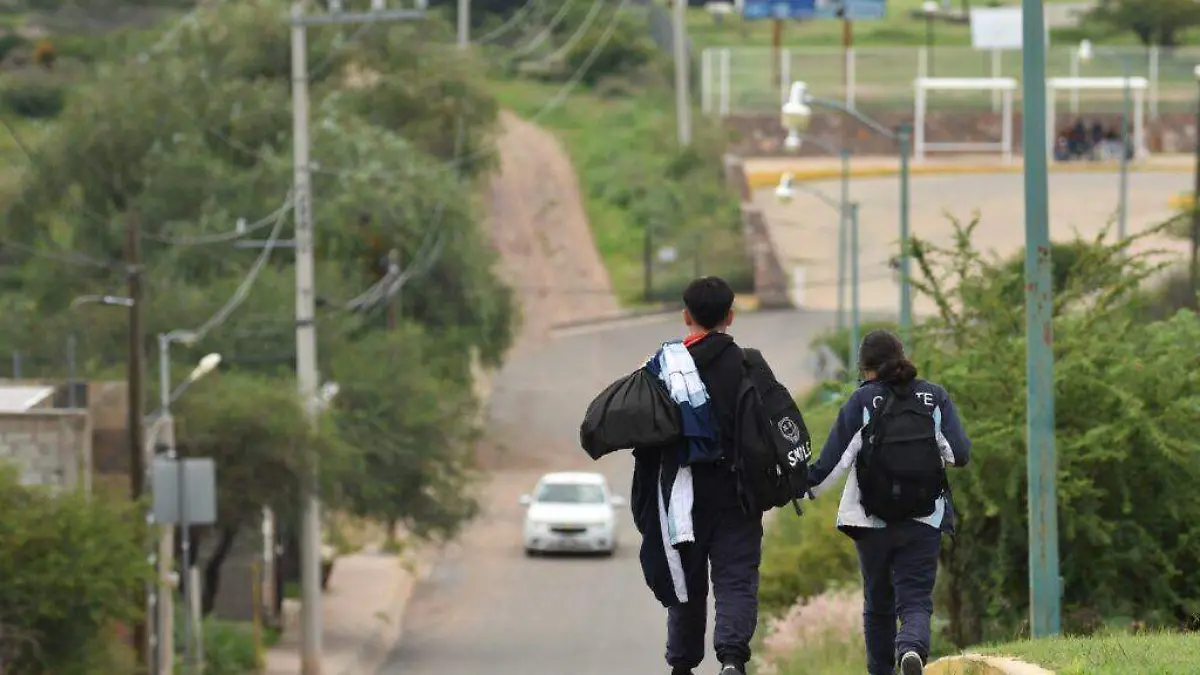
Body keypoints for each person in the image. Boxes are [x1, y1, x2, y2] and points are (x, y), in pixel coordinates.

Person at [629, 276, 776, 675]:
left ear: (686, 315)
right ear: (730, 316)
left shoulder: (662, 367)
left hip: (683, 496)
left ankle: (682, 665)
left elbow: (644, 439)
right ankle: (731, 658)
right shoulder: (749, 364)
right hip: (738, 493)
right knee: (736, 579)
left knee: (686, 583)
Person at [806, 330, 971, 675]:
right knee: (915, 600)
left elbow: (828, 470)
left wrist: (793, 487)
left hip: (871, 520)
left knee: (878, 604)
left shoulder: (861, 402)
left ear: (864, 368)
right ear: (902, 356)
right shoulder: (933, 397)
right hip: (924, 517)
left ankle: (881, 670)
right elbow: (958, 455)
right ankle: (911, 649)